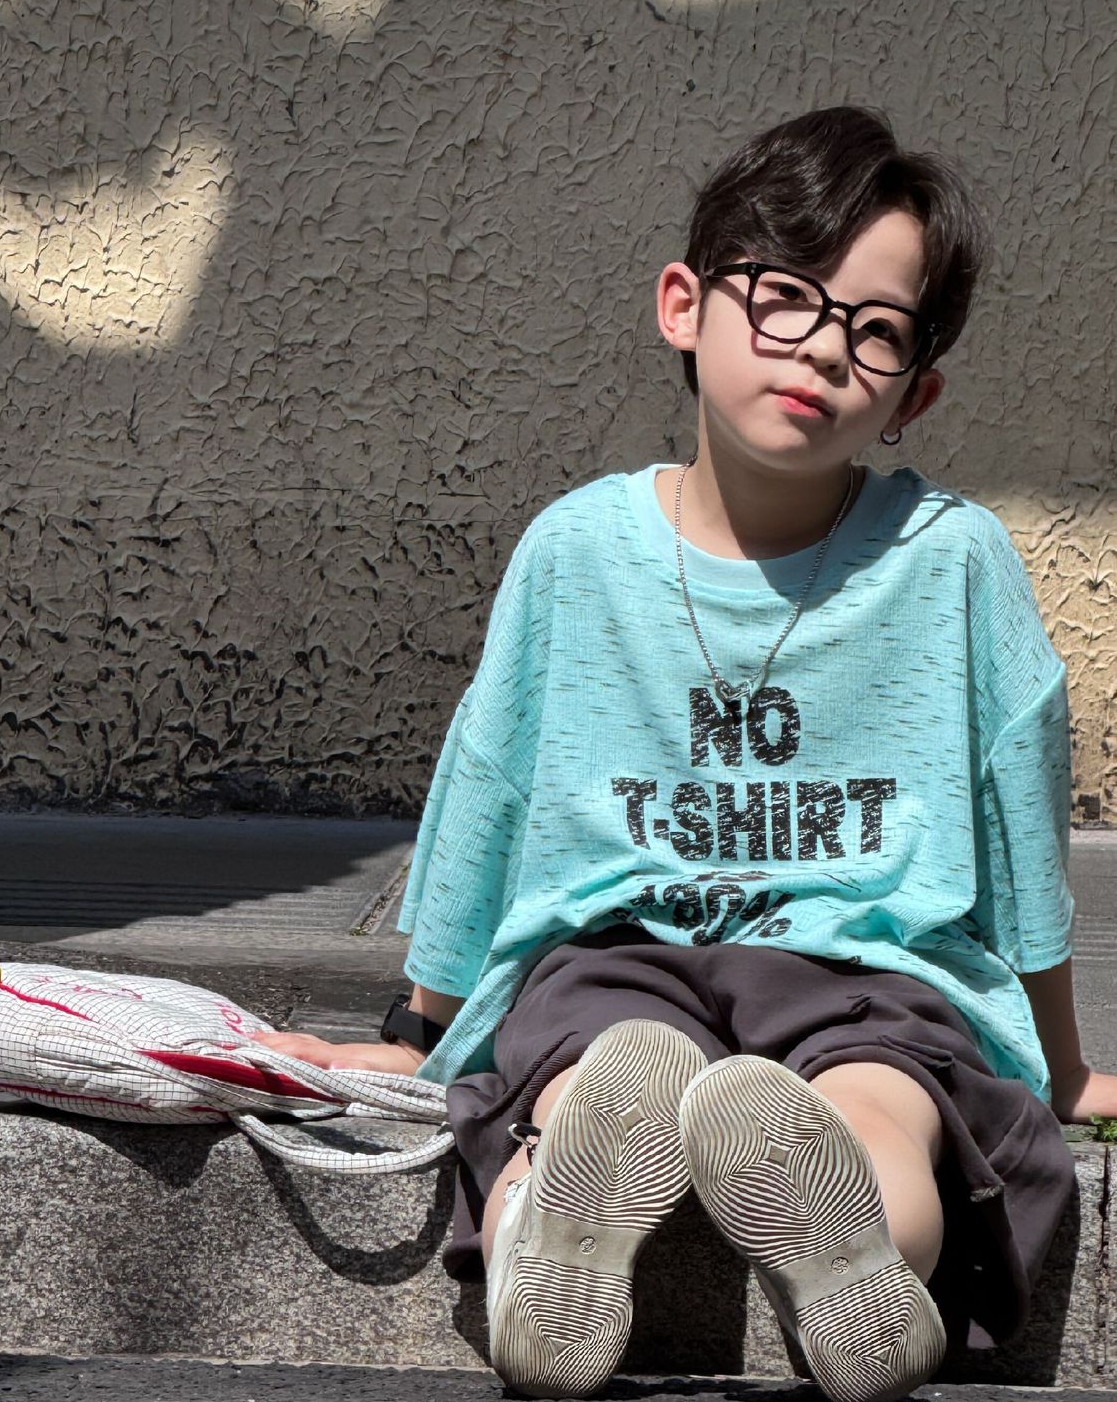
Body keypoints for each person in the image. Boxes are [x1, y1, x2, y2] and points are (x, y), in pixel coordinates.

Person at [253, 107, 1117, 1402]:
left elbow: (1017, 805)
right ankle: (563, 1237)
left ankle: (853, 1254)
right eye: (784, 296)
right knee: (595, 1072)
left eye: (875, 329)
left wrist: (1061, 1062)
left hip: (871, 965)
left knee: (883, 1097)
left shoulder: (949, 561)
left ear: (915, 392)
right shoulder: (578, 551)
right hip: (619, 949)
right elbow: (489, 783)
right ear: (683, 305)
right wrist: (418, 1029)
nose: (821, 347)